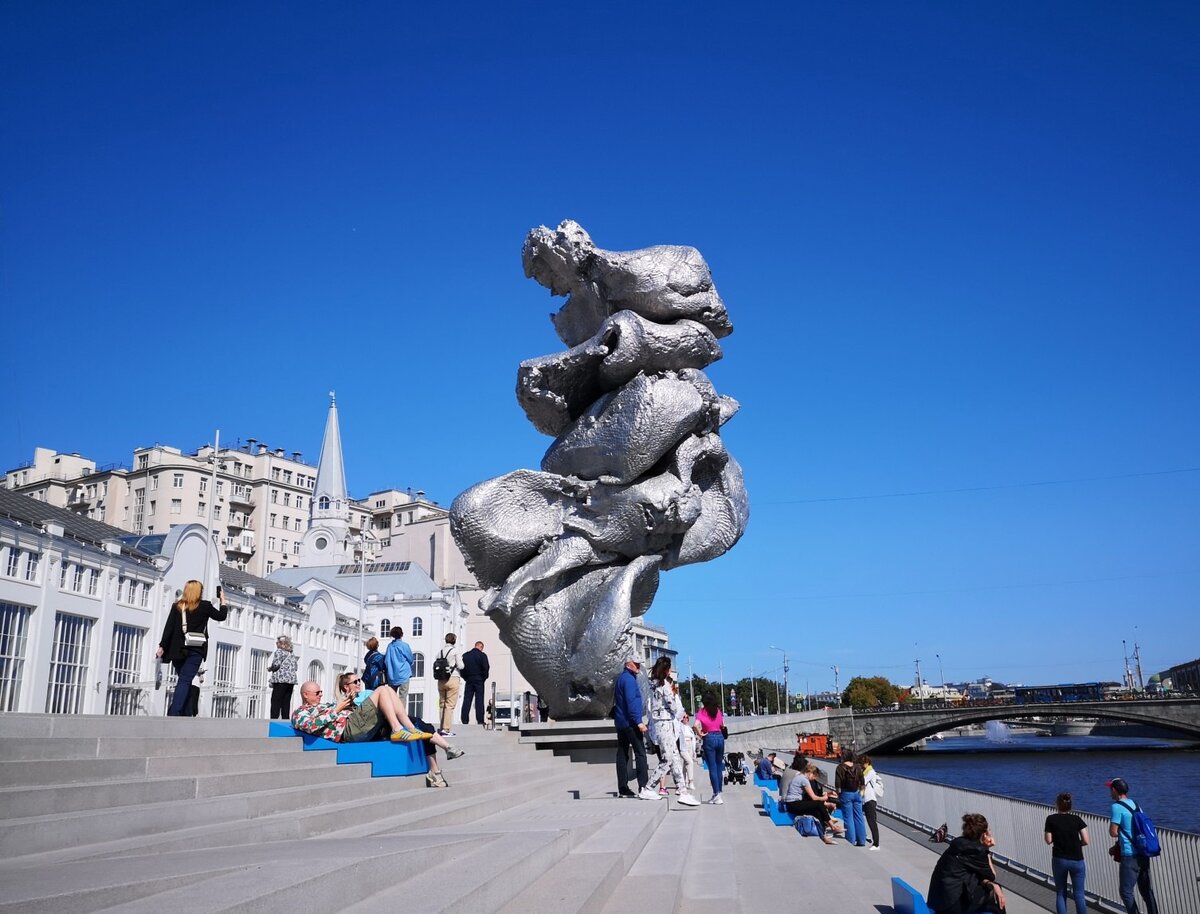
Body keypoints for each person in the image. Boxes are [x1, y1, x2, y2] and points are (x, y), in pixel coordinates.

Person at [334, 673, 464, 788]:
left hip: (384, 722)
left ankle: (440, 761)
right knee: (385, 691)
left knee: (421, 724)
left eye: (359, 681)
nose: (358, 684)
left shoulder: (365, 694)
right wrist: (347, 702)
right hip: (373, 729)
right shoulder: (343, 701)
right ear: (346, 686)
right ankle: (440, 760)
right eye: (355, 682)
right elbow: (345, 720)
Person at [156, 579, 229, 716]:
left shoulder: (177, 606)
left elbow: (169, 628)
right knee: (185, 680)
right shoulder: (205, 606)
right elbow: (221, 616)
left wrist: (162, 646)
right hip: (195, 649)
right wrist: (222, 600)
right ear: (199, 592)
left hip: (177, 650)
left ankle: (186, 711)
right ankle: (174, 712)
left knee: (184, 679)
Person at [644, 658, 700, 805]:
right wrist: (680, 712)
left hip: (658, 724)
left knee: (675, 758)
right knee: (668, 758)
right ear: (666, 670)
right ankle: (649, 787)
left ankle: (682, 791)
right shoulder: (664, 686)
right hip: (666, 724)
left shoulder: (652, 686)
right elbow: (673, 706)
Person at [927, 813, 1007, 914]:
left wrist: (989, 883)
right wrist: (987, 850)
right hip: (950, 906)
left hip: (936, 900)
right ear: (984, 834)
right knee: (995, 893)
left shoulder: (958, 843)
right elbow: (992, 875)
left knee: (991, 893)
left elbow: (973, 875)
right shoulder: (977, 851)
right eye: (989, 830)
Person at [1108, 777, 1159, 914]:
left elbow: (1113, 832)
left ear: (1114, 790)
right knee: (1146, 890)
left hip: (1130, 855)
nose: (1109, 792)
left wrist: (1117, 831)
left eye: (1110, 789)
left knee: (1125, 892)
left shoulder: (1116, 807)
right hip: (1143, 851)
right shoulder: (1136, 804)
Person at [1044, 791, 1089, 914]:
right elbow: (1086, 840)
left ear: (1057, 805)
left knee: (1061, 892)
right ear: (1070, 806)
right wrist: (1076, 844)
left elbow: (1048, 840)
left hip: (1059, 859)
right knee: (1079, 894)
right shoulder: (1077, 819)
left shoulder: (1051, 819)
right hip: (1077, 859)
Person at [612, 657, 650, 797]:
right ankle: (643, 787)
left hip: (621, 722)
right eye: (636, 664)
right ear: (629, 665)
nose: (638, 667)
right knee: (640, 753)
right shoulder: (629, 680)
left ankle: (623, 788)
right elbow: (631, 701)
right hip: (630, 723)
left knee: (622, 754)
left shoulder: (621, 678)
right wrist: (638, 721)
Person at [781, 763, 840, 844]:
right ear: (810, 773)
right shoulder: (804, 780)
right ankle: (833, 827)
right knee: (819, 804)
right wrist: (825, 798)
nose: (814, 779)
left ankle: (823, 836)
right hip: (794, 804)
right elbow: (814, 797)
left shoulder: (799, 776)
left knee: (817, 810)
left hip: (791, 803)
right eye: (814, 776)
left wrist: (826, 794)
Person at [694, 691, 725, 804]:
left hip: (709, 738)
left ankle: (716, 794)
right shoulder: (718, 710)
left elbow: (695, 725)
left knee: (712, 767)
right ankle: (718, 793)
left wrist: (700, 734)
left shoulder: (702, 711)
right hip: (720, 738)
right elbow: (722, 724)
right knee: (719, 766)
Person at [835, 749, 868, 847]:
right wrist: (860, 792)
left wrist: (839, 794)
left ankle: (851, 840)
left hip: (846, 794)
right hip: (857, 793)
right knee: (859, 817)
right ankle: (862, 840)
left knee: (848, 817)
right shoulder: (857, 767)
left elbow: (837, 784)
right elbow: (862, 782)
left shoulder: (840, 768)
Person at [435, 633, 461, 736]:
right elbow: (461, 665)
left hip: (441, 680)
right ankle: (446, 729)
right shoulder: (455, 651)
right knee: (450, 705)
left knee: (442, 704)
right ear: (454, 640)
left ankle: (441, 728)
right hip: (453, 678)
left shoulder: (440, 652)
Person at [267, 636, 298, 720]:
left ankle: (273, 720)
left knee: (275, 700)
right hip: (291, 680)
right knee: (286, 701)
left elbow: (276, 665)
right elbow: (295, 667)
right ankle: (285, 720)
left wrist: (270, 668)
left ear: (282, 644)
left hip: (281, 679)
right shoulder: (291, 654)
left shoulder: (279, 652)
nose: (276, 644)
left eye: (277, 642)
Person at [460, 641, 490, 726]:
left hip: (469, 679)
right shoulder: (482, 655)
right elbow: (486, 668)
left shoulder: (465, 655)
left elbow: (462, 668)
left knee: (467, 700)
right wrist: (484, 678)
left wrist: (465, 677)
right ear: (481, 647)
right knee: (479, 700)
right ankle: (480, 720)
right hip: (479, 679)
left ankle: (464, 720)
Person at [383, 626, 414, 705]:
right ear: (402, 634)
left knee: (392, 697)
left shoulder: (390, 646)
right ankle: (400, 715)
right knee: (402, 697)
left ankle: (391, 714)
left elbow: (386, 660)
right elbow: (410, 659)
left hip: (392, 675)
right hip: (404, 674)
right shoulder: (404, 645)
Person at [861, 754, 883, 850]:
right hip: (865, 799)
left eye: (863, 763)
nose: (862, 765)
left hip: (870, 799)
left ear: (867, 763)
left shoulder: (870, 772)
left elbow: (862, 781)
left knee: (872, 821)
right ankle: (867, 837)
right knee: (866, 820)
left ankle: (876, 844)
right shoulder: (865, 771)